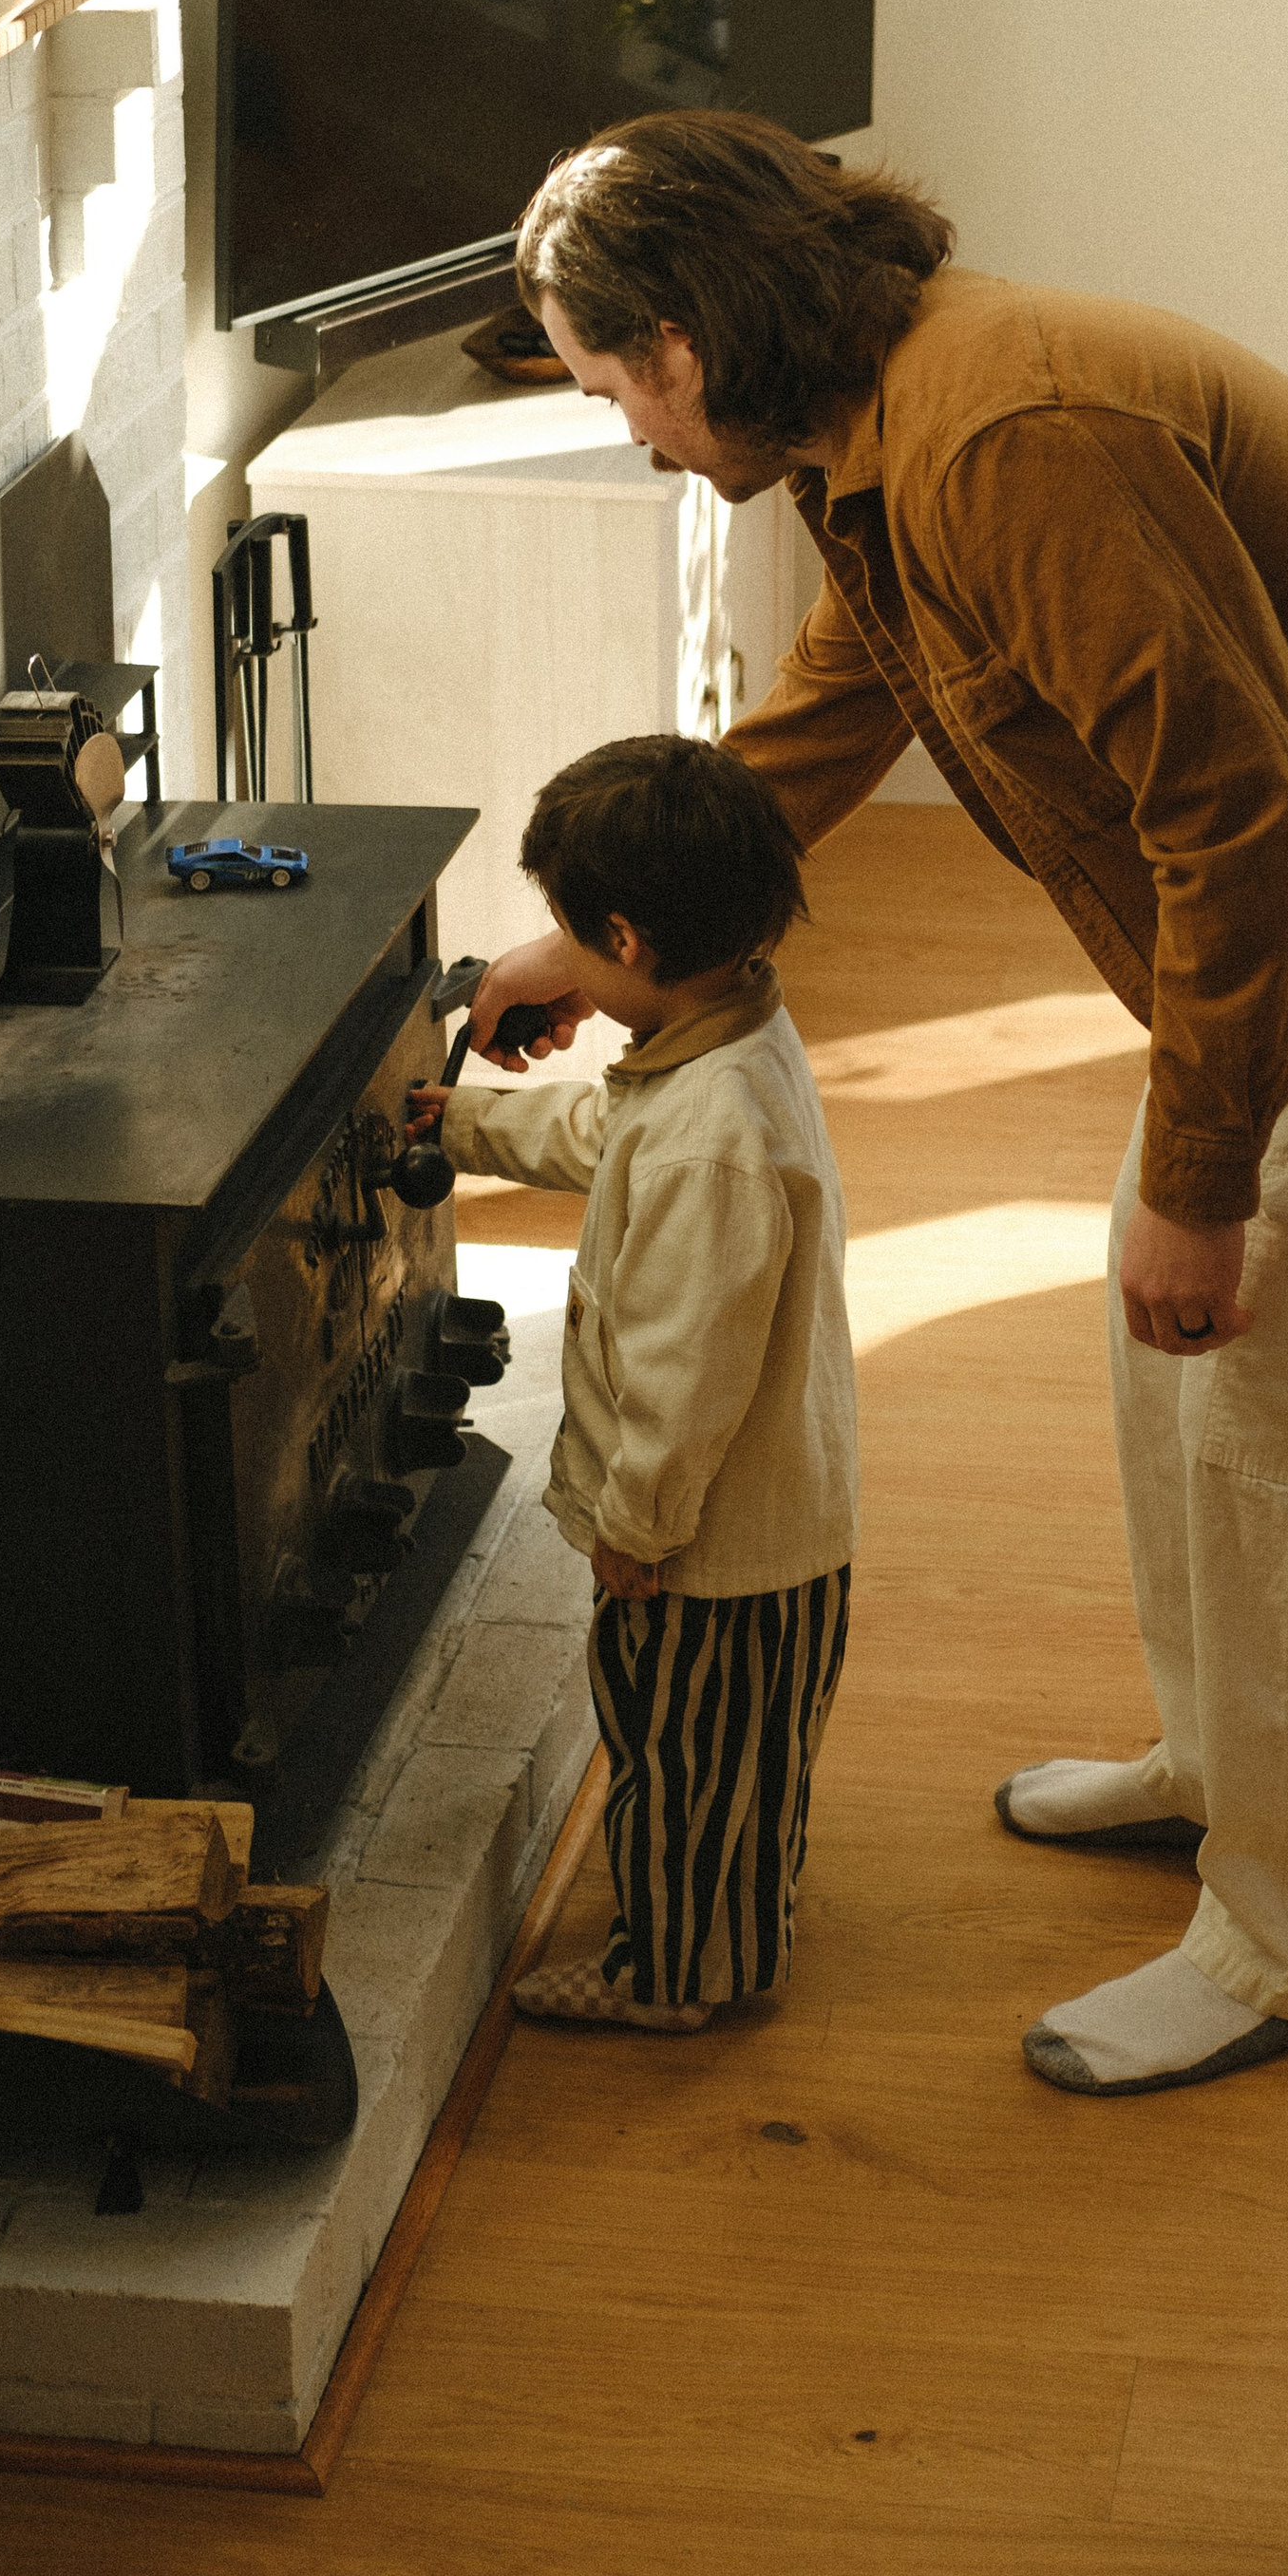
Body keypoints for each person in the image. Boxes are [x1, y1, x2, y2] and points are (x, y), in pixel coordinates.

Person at [466, 109, 1288, 2099]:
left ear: (683, 340)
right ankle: (1226, 1765)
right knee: (1167, 1364)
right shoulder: (883, 418)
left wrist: (1205, 1179)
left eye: (611, 387)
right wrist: (601, 945)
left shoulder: (1000, 437)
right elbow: (846, 691)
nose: (625, 431)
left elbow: (1239, 801)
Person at [410, 733, 855, 2031]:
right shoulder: (724, 1040)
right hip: (778, 1533)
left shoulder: (707, 1148)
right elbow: (608, 1132)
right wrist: (458, 1124)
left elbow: (684, 1376)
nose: (561, 960)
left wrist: (635, 1530)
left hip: (709, 1553)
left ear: (627, 940)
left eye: (572, 941)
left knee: (675, 1756)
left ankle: (672, 1976)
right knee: (741, 1762)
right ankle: (740, 1920)